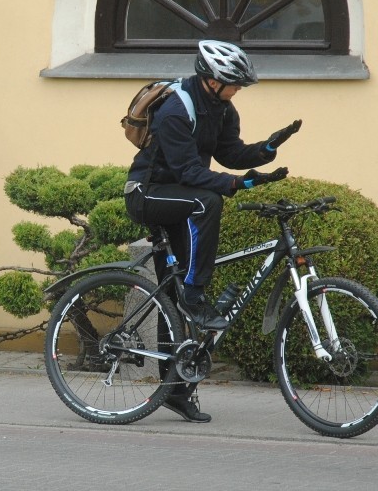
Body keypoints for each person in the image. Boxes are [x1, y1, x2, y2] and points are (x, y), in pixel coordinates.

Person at [124, 40, 300, 421]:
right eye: (233, 84)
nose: (237, 91)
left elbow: (229, 153)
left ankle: (176, 390)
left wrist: (267, 148)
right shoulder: (175, 110)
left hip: (180, 197)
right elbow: (190, 172)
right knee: (208, 202)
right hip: (148, 194)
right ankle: (195, 294)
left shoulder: (221, 108)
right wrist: (238, 185)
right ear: (211, 80)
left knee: (173, 297)